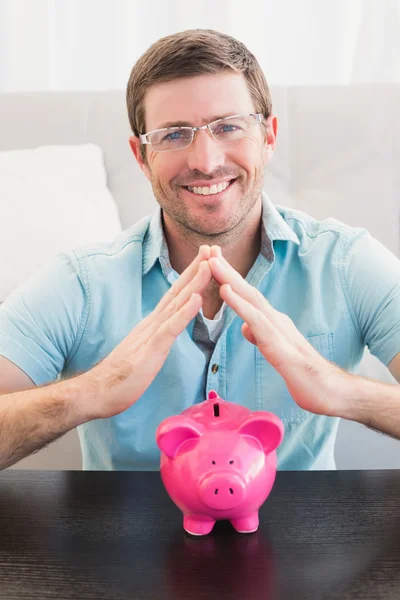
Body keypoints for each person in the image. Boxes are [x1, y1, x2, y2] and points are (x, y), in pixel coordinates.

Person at [1, 29, 400, 472]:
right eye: (174, 135)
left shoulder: (344, 262)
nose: (206, 161)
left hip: (302, 536)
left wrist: (340, 390)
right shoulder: (83, 284)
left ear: (268, 136)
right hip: (125, 540)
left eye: (229, 127)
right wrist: (92, 391)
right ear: (140, 155)